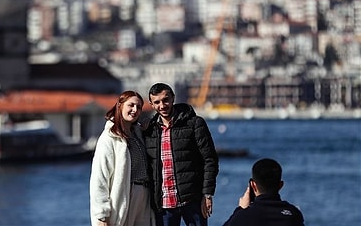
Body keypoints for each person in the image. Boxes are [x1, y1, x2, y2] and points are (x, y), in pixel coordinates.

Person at [143, 83, 219, 226]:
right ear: (151, 105)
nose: (162, 105)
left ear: (173, 98)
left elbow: (210, 160)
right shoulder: (150, 131)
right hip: (164, 204)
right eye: (157, 102)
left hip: (193, 200)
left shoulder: (195, 123)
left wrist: (207, 194)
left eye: (166, 100)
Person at [90, 90, 155, 226]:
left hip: (144, 196)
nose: (134, 110)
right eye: (131, 105)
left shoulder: (138, 134)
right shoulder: (109, 137)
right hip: (124, 196)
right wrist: (101, 215)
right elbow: (99, 178)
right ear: (120, 105)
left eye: (138, 107)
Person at [223, 158, 305, 226]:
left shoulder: (241, 217)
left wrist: (240, 209)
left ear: (253, 185)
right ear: (280, 185)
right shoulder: (294, 215)